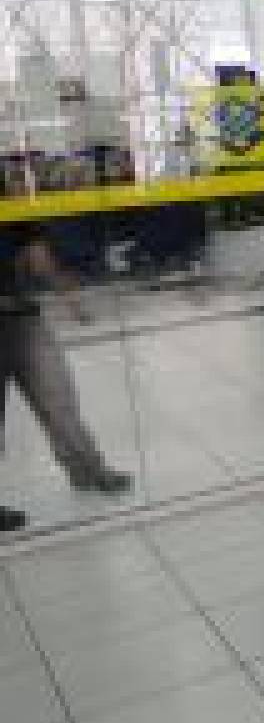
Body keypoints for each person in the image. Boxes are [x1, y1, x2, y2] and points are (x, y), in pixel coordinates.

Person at [1, 222, 132, 531]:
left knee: (58, 397)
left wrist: (67, 296)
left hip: (23, 316)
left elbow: (35, 250)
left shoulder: (7, 191)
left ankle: (88, 469)